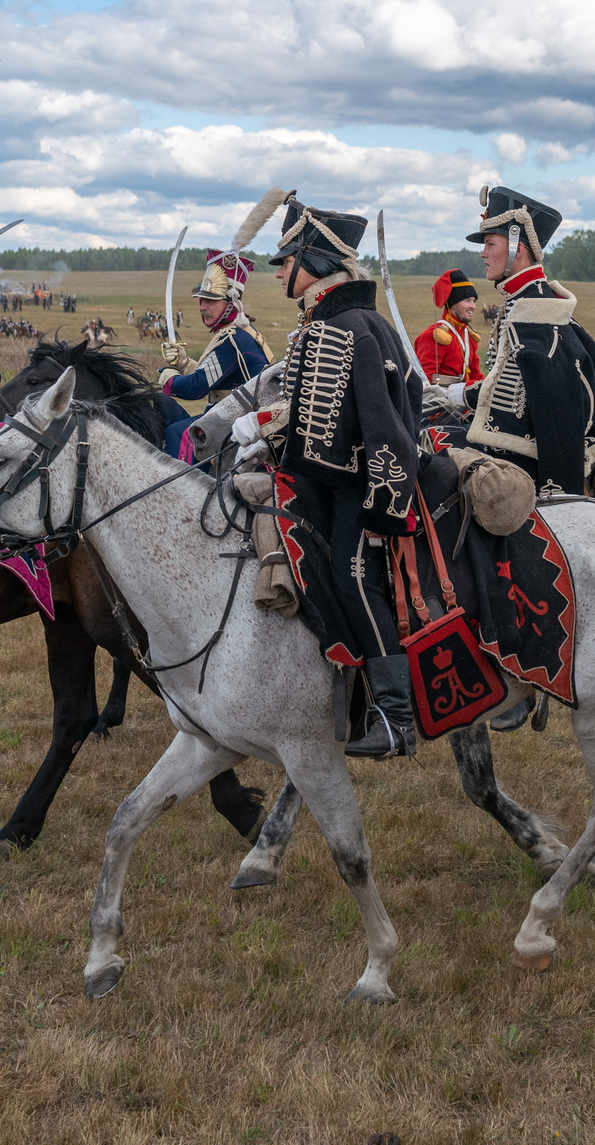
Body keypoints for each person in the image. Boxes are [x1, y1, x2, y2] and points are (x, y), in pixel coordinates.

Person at [261, 196, 425, 759]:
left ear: (315, 261)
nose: (280, 271)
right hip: (324, 486)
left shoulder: (354, 326)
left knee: (354, 576)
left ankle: (395, 716)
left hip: (365, 490)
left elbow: (387, 428)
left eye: (286, 260)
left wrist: (384, 507)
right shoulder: (327, 322)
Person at [460, 185, 595, 497]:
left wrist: (457, 395)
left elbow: (524, 402)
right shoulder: (524, 303)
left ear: (518, 246)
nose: (483, 253)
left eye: (490, 243)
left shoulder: (534, 314)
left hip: (526, 462)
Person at [156, 192, 282, 458]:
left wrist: (168, 378)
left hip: (237, 424)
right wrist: (182, 363)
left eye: (211, 301)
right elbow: (216, 377)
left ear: (231, 302)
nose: (203, 307)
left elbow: (196, 388)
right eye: (201, 300)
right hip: (226, 415)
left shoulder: (234, 339)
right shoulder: (234, 335)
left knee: (176, 433)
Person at [413, 268, 486, 404]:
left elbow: (475, 376)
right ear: (453, 304)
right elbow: (424, 381)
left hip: (462, 403)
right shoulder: (434, 336)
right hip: (439, 406)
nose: (473, 306)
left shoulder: (468, 336)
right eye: (467, 300)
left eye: (474, 301)